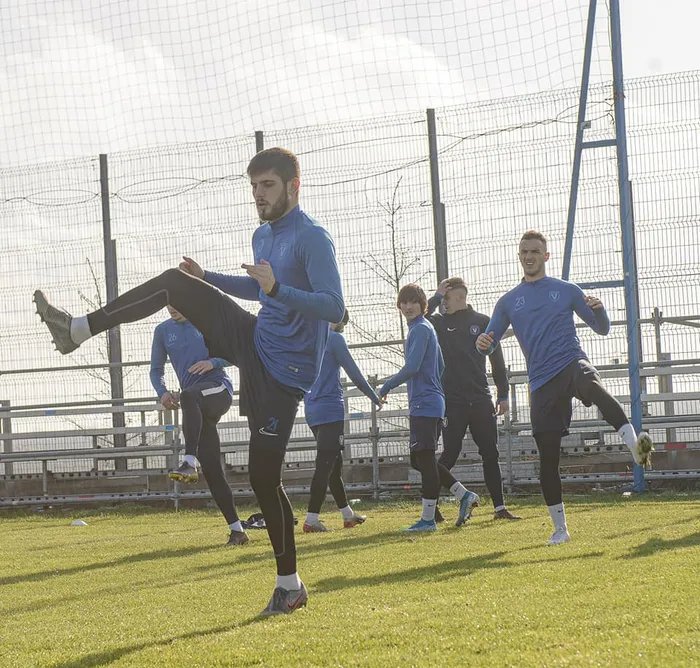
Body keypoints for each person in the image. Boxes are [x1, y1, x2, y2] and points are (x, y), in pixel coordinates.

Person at [33, 147, 344, 615]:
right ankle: (78, 329)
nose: (259, 194)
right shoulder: (263, 235)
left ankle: (290, 585)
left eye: (268, 185)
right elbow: (255, 287)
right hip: (254, 340)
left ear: (293, 186)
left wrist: (277, 288)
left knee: (263, 478)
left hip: (286, 374)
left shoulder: (313, 238)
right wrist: (208, 278)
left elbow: (334, 306)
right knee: (174, 282)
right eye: (254, 186)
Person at [476, 230, 653, 545]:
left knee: (593, 386)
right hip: (541, 382)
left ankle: (633, 444)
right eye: (524, 252)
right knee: (548, 459)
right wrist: (483, 343)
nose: (529, 256)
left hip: (571, 362)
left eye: (535, 251)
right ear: (519, 256)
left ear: (545, 256)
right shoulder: (508, 302)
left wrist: (599, 309)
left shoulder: (567, 290)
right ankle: (560, 529)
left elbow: (602, 328)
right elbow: (490, 342)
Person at [379, 284, 480, 532]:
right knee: (419, 459)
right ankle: (463, 495)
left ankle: (428, 520)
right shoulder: (424, 328)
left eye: (413, 302)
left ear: (423, 305)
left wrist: (386, 386)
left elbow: (412, 366)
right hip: (429, 401)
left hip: (425, 403)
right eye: (404, 302)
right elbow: (441, 365)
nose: (408, 307)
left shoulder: (421, 329)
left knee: (423, 459)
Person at [150, 305, 248, 546]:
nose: (171, 308)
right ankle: (237, 531)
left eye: (176, 301)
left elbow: (236, 352)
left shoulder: (207, 320)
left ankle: (188, 461)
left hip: (218, 388)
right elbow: (156, 370)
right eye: (167, 303)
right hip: (195, 404)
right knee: (213, 470)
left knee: (189, 396)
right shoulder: (162, 331)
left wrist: (213, 362)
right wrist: (162, 392)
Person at [427, 277, 520, 520]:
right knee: (450, 453)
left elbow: (496, 360)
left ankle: (499, 508)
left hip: (480, 398)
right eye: (443, 299)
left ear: (461, 297)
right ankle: (431, 507)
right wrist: (436, 296)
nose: (444, 303)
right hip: (452, 401)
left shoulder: (482, 322)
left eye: (447, 298)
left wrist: (503, 393)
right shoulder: (438, 323)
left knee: (490, 453)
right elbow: (419, 316)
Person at [303, 309, 383, 533]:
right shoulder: (335, 339)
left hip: (312, 411)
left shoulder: (309, 338)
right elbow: (354, 373)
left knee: (333, 465)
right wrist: (373, 396)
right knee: (325, 465)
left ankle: (348, 515)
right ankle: (311, 519)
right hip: (330, 410)